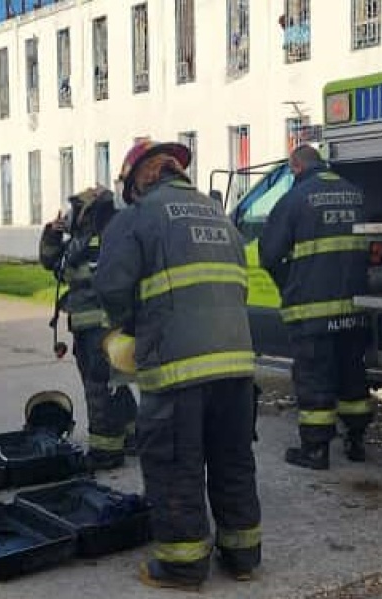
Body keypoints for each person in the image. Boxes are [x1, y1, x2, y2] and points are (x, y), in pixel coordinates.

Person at [94, 139, 262, 590]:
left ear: (138, 179)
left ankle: (183, 565)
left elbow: (110, 287)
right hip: (235, 364)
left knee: (174, 465)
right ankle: (243, 555)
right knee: (232, 461)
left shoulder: (137, 217)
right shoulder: (218, 215)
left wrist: (127, 329)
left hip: (177, 367)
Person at [259, 144, 373, 470]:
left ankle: (315, 450)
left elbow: (268, 255)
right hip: (354, 306)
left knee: (314, 377)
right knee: (352, 372)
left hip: (312, 309)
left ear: (295, 167)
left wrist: (290, 282)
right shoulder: (355, 194)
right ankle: (356, 441)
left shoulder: (294, 200)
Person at [38, 185, 137, 471]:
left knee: (98, 388)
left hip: (98, 327)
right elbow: (51, 262)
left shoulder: (97, 241)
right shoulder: (89, 238)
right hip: (97, 325)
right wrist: (53, 233)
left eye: (75, 210)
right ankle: (133, 434)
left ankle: (106, 451)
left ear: (89, 211)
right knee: (114, 384)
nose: (70, 216)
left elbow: (66, 270)